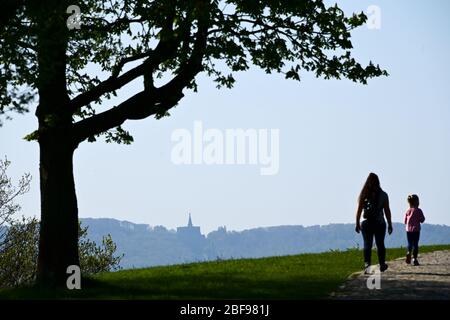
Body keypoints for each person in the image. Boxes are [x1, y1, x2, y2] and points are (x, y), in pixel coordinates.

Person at [355, 173, 393, 274]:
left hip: (367, 224)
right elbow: (387, 211)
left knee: (367, 245)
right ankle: (382, 264)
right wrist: (389, 224)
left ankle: (367, 265)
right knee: (380, 244)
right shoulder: (383, 195)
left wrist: (357, 223)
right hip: (379, 223)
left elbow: (359, 210)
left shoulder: (364, 194)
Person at [404, 194, 425, 266]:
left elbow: (405, 221)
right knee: (415, 244)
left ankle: (408, 252)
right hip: (416, 230)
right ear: (417, 202)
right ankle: (414, 259)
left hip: (408, 230)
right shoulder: (418, 210)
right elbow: (422, 220)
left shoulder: (408, 211)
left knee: (409, 243)